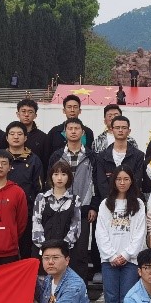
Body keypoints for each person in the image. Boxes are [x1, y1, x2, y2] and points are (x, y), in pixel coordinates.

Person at [96, 166, 146, 303]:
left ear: (132, 181)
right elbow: (101, 232)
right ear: (114, 181)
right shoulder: (105, 204)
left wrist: (126, 255)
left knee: (127, 299)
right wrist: (111, 255)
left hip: (130, 261)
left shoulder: (138, 204)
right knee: (111, 300)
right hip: (108, 260)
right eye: (119, 179)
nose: (122, 182)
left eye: (126, 179)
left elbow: (140, 233)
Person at [47, 118, 97, 281]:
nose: (73, 131)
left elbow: (97, 183)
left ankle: (80, 289)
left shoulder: (91, 156)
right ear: (64, 132)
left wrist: (93, 206)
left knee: (80, 254)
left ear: (83, 132)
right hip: (60, 210)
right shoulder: (56, 155)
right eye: (70, 128)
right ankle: (58, 287)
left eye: (77, 128)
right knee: (59, 251)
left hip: (83, 210)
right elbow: (49, 182)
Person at [4, 121, 45, 259]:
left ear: (25, 137)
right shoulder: (0, 159)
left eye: (19, 134)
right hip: (3, 212)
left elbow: (39, 189)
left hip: (27, 213)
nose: (16, 137)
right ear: (7, 137)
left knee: (26, 252)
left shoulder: (34, 160)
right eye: (12, 134)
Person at [32, 159, 82, 265]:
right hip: (42, 250)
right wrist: (46, 247)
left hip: (66, 251)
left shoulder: (75, 199)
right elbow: (36, 224)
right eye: (56, 174)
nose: (59, 178)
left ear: (69, 177)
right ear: (51, 176)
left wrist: (62, 248)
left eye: (63, 174)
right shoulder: (41, 197)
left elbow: (75, 227)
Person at [94, 115, 151, 201]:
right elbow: (102, 183)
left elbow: (137, 181)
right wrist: (111, 201)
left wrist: (126, 200)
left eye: (124, 128)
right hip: (108, 201)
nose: (120, 130)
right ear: (112, 130)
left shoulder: (138, 156)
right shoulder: (102, 156)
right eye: (117, 128)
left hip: (131, 201)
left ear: (129, 131)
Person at [46, 94, 95, 158]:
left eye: (75, 107)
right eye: (69, 107)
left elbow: (91, 155)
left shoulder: (88, 132)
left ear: (80, 111)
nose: (72, 110)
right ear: (64, 111)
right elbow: (47, 155)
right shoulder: (54, 132)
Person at [16, 99, 50, 167]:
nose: (26, 115)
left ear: (35, 115)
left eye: (30, 112)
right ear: (18, 114)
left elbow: (46, 162)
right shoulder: (10, 136)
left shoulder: (43, 137)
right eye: (23, 111)